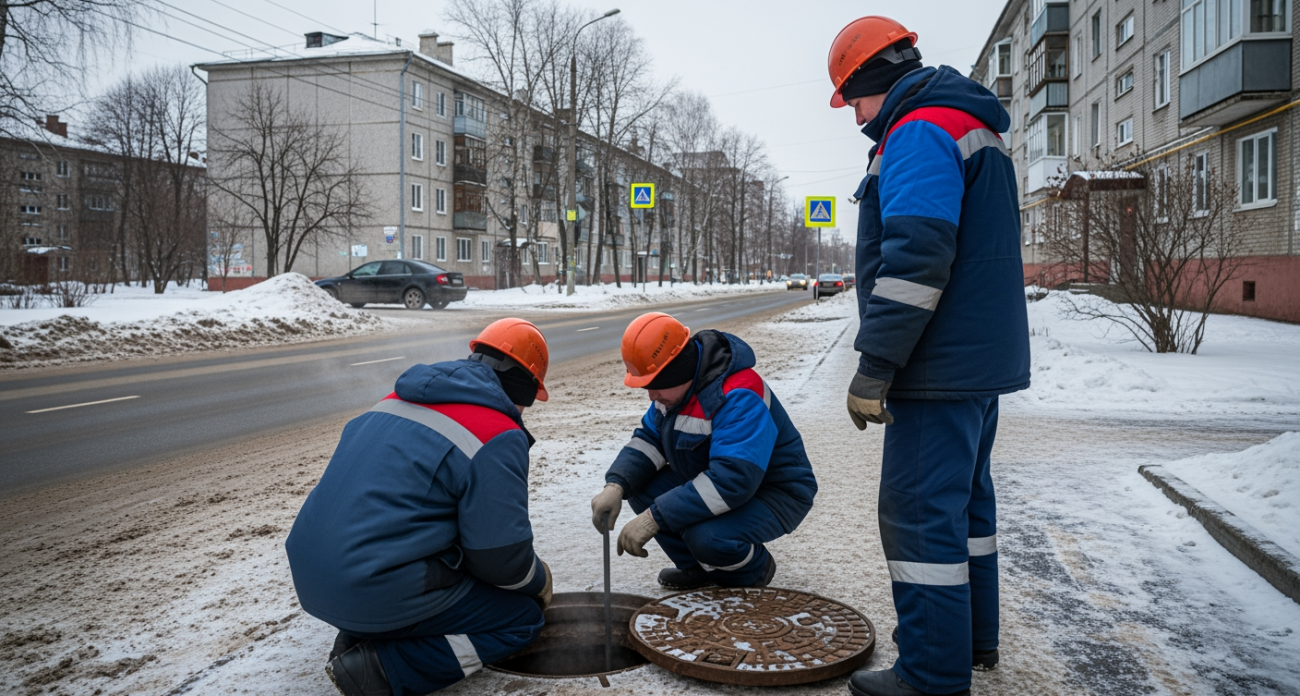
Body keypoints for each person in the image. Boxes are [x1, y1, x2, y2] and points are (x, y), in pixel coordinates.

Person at [826, 15, 1031, 696]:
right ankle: (972, 644)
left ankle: (931, 674)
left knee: (917, 515)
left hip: (935, 365)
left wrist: (876, 364)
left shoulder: (916, 130)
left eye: (851, 98)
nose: (853, 116)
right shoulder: (972, 127)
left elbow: (915, 259)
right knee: (965, 511)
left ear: (871, 79)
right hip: (976, 364)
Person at [285, 318, 555, 696]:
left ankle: (358, 638)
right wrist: (538, 580)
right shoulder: (496, 431)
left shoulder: (393, 401)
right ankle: (380, 669)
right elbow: (498, 558)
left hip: (313, 575)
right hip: (372, 587)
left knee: (430, 556)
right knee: (519, 620)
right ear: (524, 388)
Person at [590, 312, 817, 589]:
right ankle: (696, 568)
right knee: (641, 485)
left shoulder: (739, 394)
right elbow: (650, 439)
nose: (651, 396)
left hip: (774, 492)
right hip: (719, 479)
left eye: (654, 385)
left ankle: (752, 571)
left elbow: (732, 480)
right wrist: (617, 484)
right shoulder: (674, 392)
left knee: (707, 538)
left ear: (678, 370)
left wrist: (654, 517)